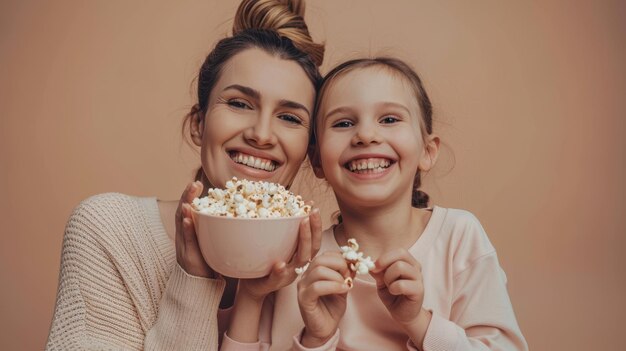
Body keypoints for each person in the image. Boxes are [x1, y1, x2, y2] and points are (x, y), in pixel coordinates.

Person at [45, 0, 325, 350]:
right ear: (198, 124)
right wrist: (193, 279)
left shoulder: (315, 272)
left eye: (290, 117)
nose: (262, 134)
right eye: (239, 104)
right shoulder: (109, 229)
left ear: (309, 150)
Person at [222, 57, 529, 350]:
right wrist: (316, 338)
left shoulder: (459, 238)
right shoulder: (297, 259)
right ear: (316, 160)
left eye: (390, 119)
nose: (366, 135)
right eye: (343, 123)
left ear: (427, 151)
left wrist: (418, 322)